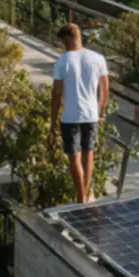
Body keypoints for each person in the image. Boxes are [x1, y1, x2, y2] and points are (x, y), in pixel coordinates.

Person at [50, 23, 109, 204]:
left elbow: (57, 94)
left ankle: (80, 197)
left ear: (68, 39)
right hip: (91, 114)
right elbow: (104, 90)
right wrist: (98, 111)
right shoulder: (98, 58)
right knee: (88, 153)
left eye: (63, 41)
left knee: (74, 157)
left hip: (70, 116)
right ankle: (85, 193)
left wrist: (53, 122)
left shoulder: (62, 61)